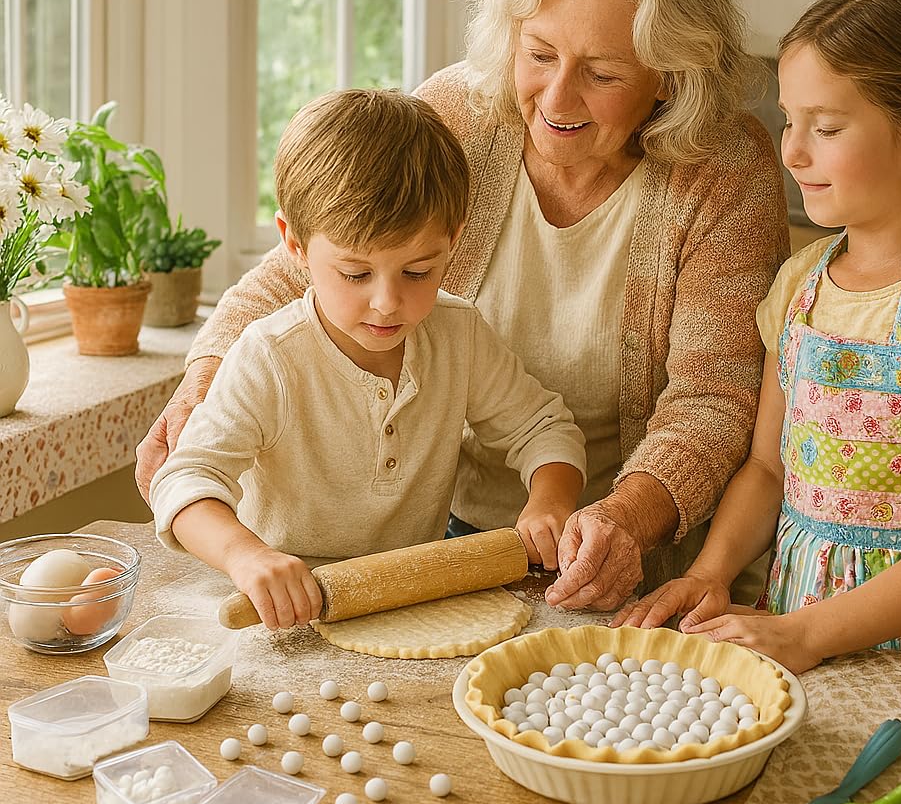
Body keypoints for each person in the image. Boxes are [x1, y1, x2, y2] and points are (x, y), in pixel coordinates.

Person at [136, 0, 789, 612]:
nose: (557, 98)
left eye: (602, 73)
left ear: (669, 75)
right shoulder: (461, 114)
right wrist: (206, 380)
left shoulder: (723, 170)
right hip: (455, 536)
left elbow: (713, 400)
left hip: (639, 555)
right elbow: (305, 263)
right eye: (539, 53)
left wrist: (621, 518)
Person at [613, 0, 901, 671]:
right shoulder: (801, 284)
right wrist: (711, 571)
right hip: (793, 633)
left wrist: (808, 634)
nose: (792, 151)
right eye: (789, 120)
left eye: (826, 128)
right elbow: (768, 467)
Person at [148, 89, 587, 630]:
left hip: (407, 606)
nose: (387, 302)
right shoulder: (270, 358)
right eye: (355, 274)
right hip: (283, 616)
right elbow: (184, 481)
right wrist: (246, 555)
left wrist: (550, 500)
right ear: (296, 244)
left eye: (418, 271)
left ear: (453, 239)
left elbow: (544, 428)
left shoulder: (459, 337)